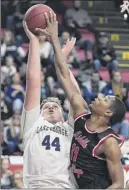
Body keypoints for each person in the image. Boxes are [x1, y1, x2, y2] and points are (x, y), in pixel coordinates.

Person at [36, 11, 126, 189]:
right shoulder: (80, 113)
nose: (99, 97)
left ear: (108, 113)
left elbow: (118, 184)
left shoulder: (109, 142)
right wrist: (54, 39)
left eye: (105, 99)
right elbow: (63, 73)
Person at [21, 19, 80, 188]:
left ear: (64, 114)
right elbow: (33, 81)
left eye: (55, 106)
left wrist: (61, 61)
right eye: (46, 106)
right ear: (38, 113)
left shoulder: (71, 128)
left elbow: (75, 95)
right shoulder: (32, 124)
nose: (51, 106)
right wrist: (34, 41)